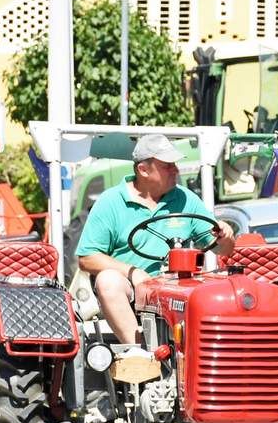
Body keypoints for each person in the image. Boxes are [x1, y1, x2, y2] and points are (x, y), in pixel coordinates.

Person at [76, 134, 236, 346]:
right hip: (132, 291)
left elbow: (223, 250)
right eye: (167, 166)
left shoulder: (185, 199)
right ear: (143, 170)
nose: (176, 171)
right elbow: (87, 258)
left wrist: (226, 236)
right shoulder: (111, 202)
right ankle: (140, 353)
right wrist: (134, 273)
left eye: (174, 165)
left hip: (177, 289)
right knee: (108, 281)